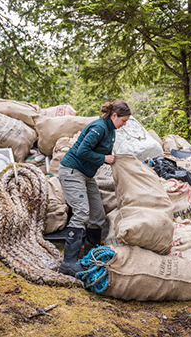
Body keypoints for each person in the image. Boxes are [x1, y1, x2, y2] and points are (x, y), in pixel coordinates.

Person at [57, 100, 131, 276]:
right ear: (114, 115)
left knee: (97, 215)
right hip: (72, 171)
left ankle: (90, 258)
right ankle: (68, 263)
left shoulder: (111, 130)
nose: (124, 124)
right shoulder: (98, 128)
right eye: (123, 120)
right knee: (82, 212)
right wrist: (104, 158)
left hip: (87, 175)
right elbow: (82, 151)